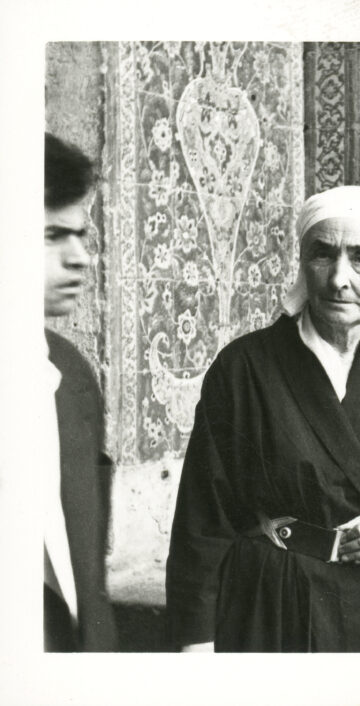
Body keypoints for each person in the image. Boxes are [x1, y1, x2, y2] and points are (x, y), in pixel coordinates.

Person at [166, 185, 360, 652]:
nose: (339, 277)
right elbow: (203, 520)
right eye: (323, 254)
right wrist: (196, 644)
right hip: (275, 600)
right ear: (302, 262)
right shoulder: (244, 368)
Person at [42, 132, 118, 651]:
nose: (81, 258)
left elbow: (84, 580)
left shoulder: (71, 376)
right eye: (51, 235)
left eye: (80, 235)